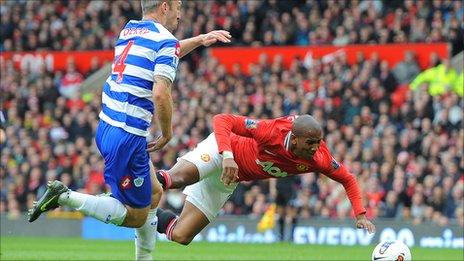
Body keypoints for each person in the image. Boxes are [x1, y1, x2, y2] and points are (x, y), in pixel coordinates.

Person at [28, 1, 231, 260]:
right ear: (165, 7)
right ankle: (65, 197)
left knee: (155, 192)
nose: (181, 14)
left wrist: (201, 40)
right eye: (179, 6)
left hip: (107, 125)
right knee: (135, 216)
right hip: (127, 135)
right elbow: (160, 93)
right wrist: (167, 133)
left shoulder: (130, 30)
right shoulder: (165, 41)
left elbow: (170, 49)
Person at [154, 114, 376, 245]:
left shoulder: (319, 158)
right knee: (177, 178)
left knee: (181, 235)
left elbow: (348, 178)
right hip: (222, 150)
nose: (316, 147)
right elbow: (222, 119)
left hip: (230, 178)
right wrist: (228, 155)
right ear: (295, 139)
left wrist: (360, 214)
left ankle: (147, 216)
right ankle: (132, 182)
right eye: (310, 143)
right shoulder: (271, 132)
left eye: (319, 141)